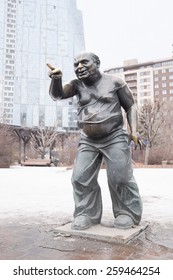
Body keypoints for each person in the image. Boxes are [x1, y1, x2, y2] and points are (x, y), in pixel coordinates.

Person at [47, 52, 142, 230]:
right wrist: (56, 79)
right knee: (79, 177)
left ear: (97, 63)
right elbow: (57, 95)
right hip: (88, 140)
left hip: (114, 137)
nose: (79, 67)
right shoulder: (76, 85)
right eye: (76, 65)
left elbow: (130, 106)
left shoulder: (115, 82)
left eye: (84, 62)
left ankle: (127, 212)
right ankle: (86, 214)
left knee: (120, 177)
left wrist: (134, 130)